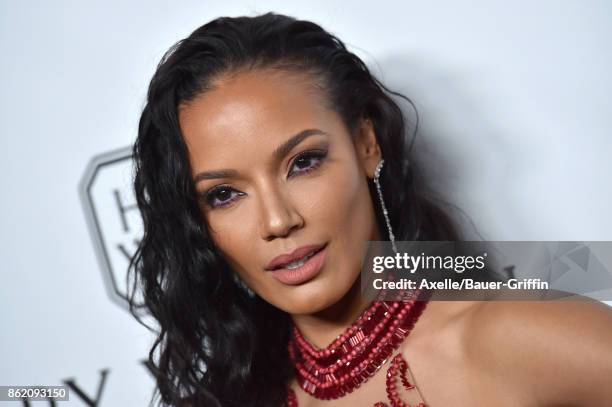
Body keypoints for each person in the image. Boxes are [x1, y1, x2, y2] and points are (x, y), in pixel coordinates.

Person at [128, 12, 612, 407]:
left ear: (365, 144)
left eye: (303, 163)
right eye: (224, 195)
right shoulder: (222, 399)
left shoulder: (517, 339)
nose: (277, 221)